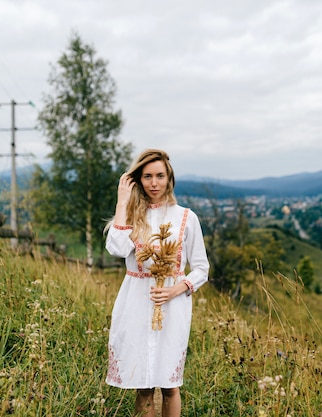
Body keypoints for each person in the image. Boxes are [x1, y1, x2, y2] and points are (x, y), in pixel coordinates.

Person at [104, 149, 209, 417]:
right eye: (147, 176)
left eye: (159, 176)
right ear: (138, 180)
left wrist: (177, 288)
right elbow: (115, 248)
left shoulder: (186, 217)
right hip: (136, 302)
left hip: (173, 306)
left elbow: (201, 269)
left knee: (170, 385)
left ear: (169, 178)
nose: (154, 183)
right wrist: (122, 202)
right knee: (144, 386)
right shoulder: (130, 215)